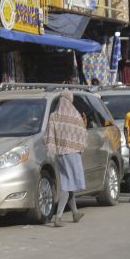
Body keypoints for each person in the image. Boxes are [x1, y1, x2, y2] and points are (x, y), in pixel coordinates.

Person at [44, 91, 88, 227]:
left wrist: (53, 149)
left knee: (69, 182)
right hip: (73, 153)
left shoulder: (54, 116)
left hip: (60, 154)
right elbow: (83, 133)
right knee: (67, 185)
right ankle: (58, 217)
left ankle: (75, 213)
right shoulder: (75, 115)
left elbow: (49, 136)